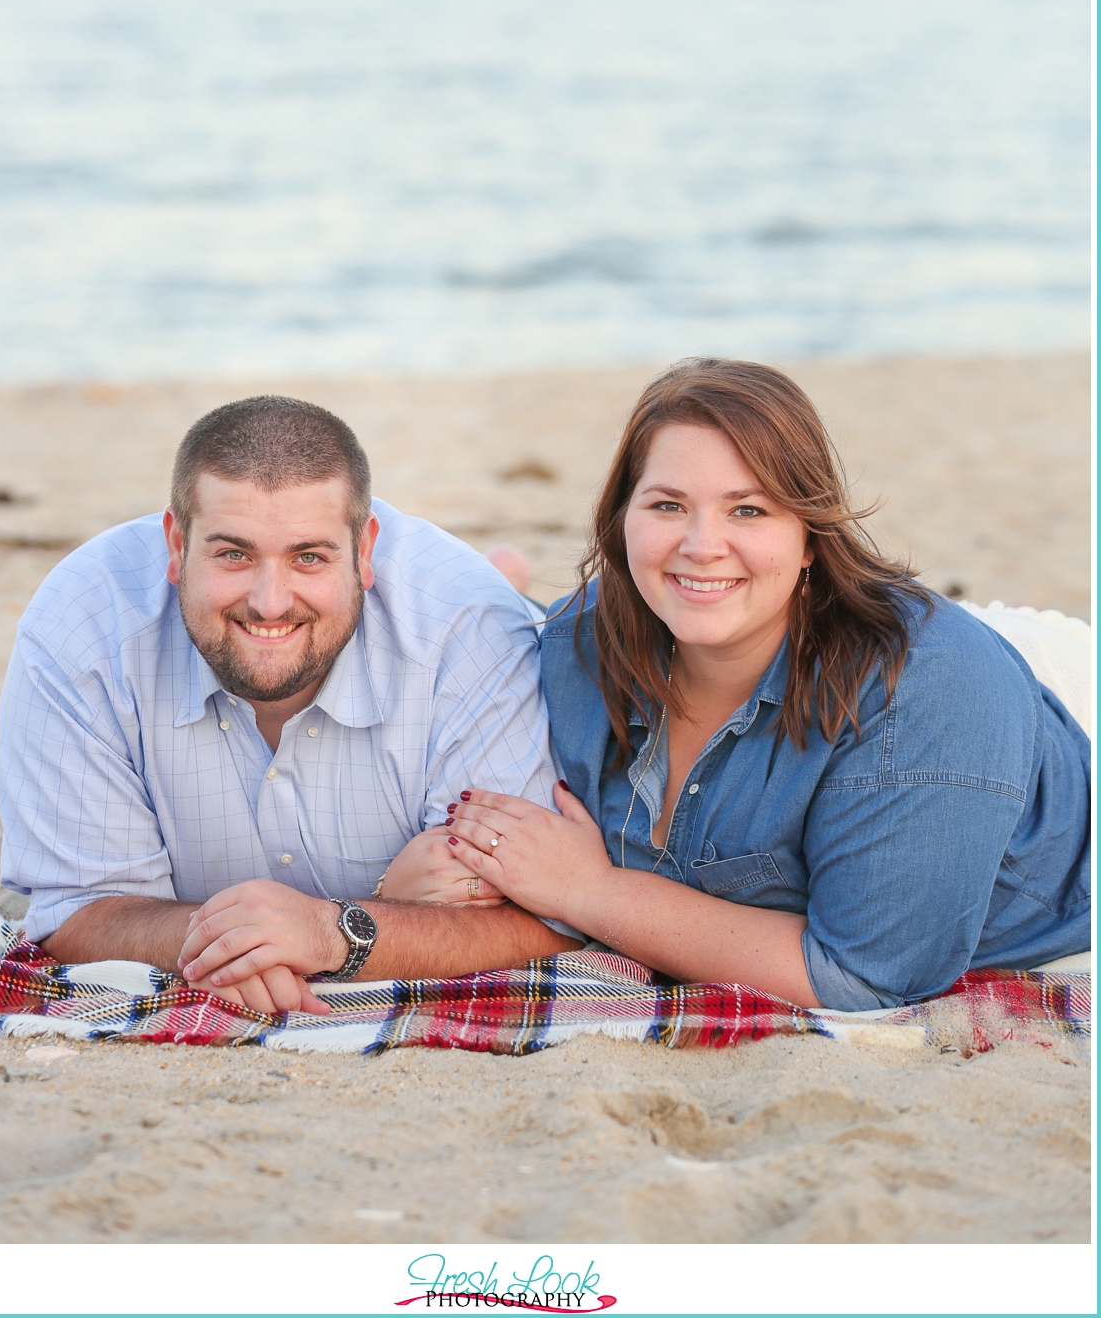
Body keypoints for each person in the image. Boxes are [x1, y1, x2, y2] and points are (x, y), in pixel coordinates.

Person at [435, 359, 1091, 1011]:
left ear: (810, 538)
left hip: (1034, 695)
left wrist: (593, 893)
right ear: (620, 519)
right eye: (667, 505)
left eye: (748, 510)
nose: (702, 544)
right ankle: (507, 584)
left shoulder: (926, 695)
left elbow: (862, 976)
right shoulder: (580, 641)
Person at [0, 396, 576, 1017]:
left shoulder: (471, 629)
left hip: (472, 617)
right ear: (175, 544)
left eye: (309, 557)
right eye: (233, 554)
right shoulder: (78, 631)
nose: (270, 602)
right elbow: (76, 911)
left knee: (522, 620)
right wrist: (251, 942)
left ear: (364, 550)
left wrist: (329, 931)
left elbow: (547, 916)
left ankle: (510, 579)